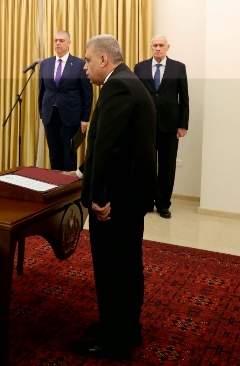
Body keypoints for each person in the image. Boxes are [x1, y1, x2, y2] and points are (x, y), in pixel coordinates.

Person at [74, 34, 157, 360]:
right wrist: (82, 172)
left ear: (104, 60)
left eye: (88, 60)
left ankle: (115, 340)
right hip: (130, 195)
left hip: (117, 200)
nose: (85, 67)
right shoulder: (128, 81)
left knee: (112, 269)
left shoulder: (117, 87)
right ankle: (125, 327)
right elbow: (113, 143)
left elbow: (107, 149)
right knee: (126, 264)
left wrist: (99, 198)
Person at [134, 36, 189, 219]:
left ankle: (164, 204)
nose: (158, 48)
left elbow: (184, 98)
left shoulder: (178, 67)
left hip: (170, 126)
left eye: (161, 45)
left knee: (167, 167)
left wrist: (182, 125)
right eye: (155, 45)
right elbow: (135, 97)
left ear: (167, 47)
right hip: (145, 125)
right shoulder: (139, 67)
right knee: (147, 165)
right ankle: (147, 201)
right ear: (150, 47)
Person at [38, 30, 93, 171]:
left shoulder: (80, 64)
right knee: (54, 154)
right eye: (55, 40)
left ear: (69, 43)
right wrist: (42, 114)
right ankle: (55, 185)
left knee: (68, 155)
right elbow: (42, 91)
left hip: (70, 116)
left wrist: (85, 118)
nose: (57, 43)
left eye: (61, 40)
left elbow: (87, 93)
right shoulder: (45, 64)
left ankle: (68, 187)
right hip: (50, 115)